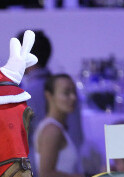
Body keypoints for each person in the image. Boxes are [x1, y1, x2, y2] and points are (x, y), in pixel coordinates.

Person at [16, 29, 84, 169]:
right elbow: (78, 137)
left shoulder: (26, 95)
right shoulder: (69, 89)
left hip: (40, 173)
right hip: (75, 166)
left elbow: (19, 146)